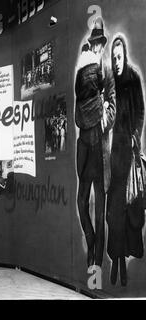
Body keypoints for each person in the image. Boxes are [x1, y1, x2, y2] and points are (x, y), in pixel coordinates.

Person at [75, 17, 116, 268]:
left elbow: (113, 102)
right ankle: (90, 240)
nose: (98, 47)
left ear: (103, 43)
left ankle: (97, 260)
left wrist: (106, 121)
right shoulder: (84, 70)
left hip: (100, 147)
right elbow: (79, 104)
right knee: (82, 201)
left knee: (99, 209)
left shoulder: (107, 69)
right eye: (95, 43)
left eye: (100, 42)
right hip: (85, 147)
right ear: (91, 44)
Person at [107, 35, 145, 286]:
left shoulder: (133, 78)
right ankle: (117, 260)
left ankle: (124, 258)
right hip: (116, 153)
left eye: (119, 57)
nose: (117, 62)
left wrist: (135, 137)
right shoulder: (111, 82)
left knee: (131, 208)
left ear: (125, 56)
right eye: (113, 58)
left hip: (130, 151)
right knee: (114, 212)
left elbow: (141, 111)